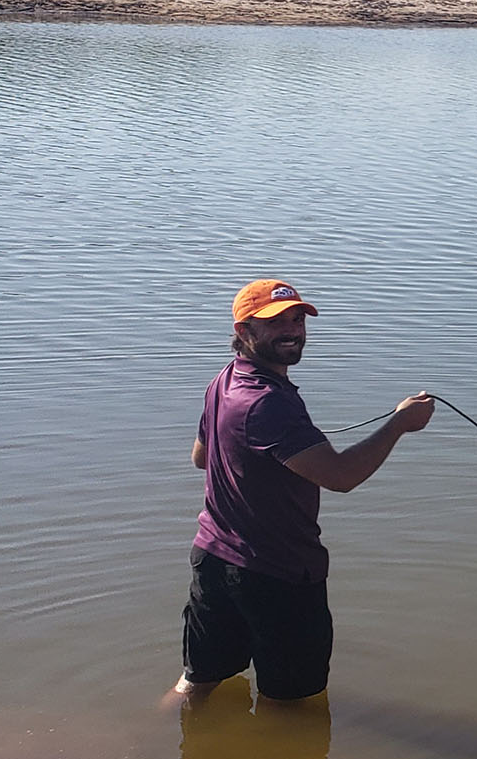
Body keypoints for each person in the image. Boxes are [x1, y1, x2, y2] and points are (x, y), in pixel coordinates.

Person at [171, 279, 433, 702]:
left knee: (198, 680)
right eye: (275, 322)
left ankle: (151, 743)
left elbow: (202, 457)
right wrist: (400, 424)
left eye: (297, 319)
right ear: (244, 331)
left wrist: (282, 449)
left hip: (214, 561)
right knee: (292, 706)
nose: (292, 330)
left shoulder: (225, 381)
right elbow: (342, 476)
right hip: (277, 575)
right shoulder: (269, 403)